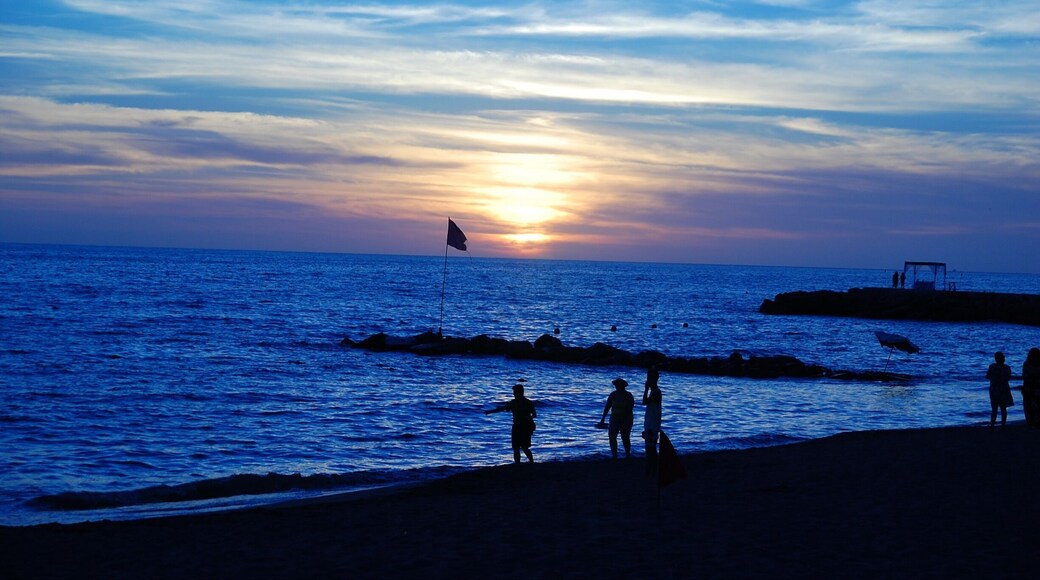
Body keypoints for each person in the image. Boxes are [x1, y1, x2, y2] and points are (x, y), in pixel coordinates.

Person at [485, 383, 536, 463]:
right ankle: (518, 464)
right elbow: (502, 408)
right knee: (516, 447)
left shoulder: (527, 402)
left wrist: (527, 417)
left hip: (525, 426)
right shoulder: (514, 402)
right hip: (517, 426)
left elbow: (534, 415)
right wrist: (490, 411)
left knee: (524, 447)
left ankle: (531, 462)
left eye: (515, 392)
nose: (514, 394)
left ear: (519, 392)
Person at [599, 377, 635, 459]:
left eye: (618, 385)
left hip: (626, 419)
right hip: (614, 418)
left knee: (625, 437)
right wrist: (603, 418)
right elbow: (607, 406)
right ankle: (614, 455)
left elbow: (630, 407)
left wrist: (624, 417)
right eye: (616, 385)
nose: (616, 386)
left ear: (623, 386)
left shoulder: (628, 395)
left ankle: (627, 455)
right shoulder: (613, 395)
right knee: (612, 436)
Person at [642, 365, 662, 475]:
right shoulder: (654, 391)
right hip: (650, 423)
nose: (648, 380)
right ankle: (653, 469)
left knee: (650, 448)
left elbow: (644, 402)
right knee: (650, 448)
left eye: (650, 377)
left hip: (652, 425)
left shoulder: (656, 392)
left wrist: (645, 389)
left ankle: (652, 469)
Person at [987, 351, 1013, 427]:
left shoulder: (992, 367)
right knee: (1003, 408)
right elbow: (1008, 377)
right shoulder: (1007, 368)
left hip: (994, 389)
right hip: (1004, 389)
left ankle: (992, 425)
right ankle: (1003, 425)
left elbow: (988, 376)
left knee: (994, 409)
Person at [1022, 348, 1040, 427]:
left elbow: (1024, 376)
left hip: (1029, 387)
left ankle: (1031, 422)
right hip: (1034, 387)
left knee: (1029, 406)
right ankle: (1034, 421)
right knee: (1035, 406)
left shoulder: (1026, 364)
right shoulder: (1026, 364)